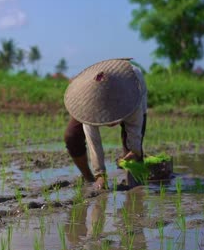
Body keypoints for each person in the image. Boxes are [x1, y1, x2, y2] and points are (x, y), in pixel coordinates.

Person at [63, 58, 147, 190]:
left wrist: (135, 150)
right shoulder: (89, 106)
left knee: (131, 159)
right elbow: (93, 140)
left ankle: (136, 184)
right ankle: (89, 179)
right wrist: (99, 174)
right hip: (90, 94)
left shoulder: (132, 95)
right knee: (72, 135)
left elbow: (135, 129)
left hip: (130, 89)